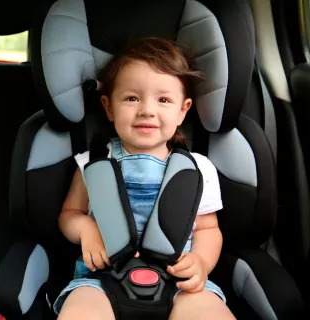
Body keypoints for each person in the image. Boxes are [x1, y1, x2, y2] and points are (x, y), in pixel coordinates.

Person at [54, 37, 236, 320]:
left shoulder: (198, 169)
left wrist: (200, 261)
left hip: (179, 281)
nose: (147, 110)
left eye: (163, 99)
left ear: (183, 110)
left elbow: (207, 230)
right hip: (102, 278)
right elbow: (69, 214)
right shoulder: (92, 163)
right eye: (131, 98)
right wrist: (86, 228)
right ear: (109, 107)